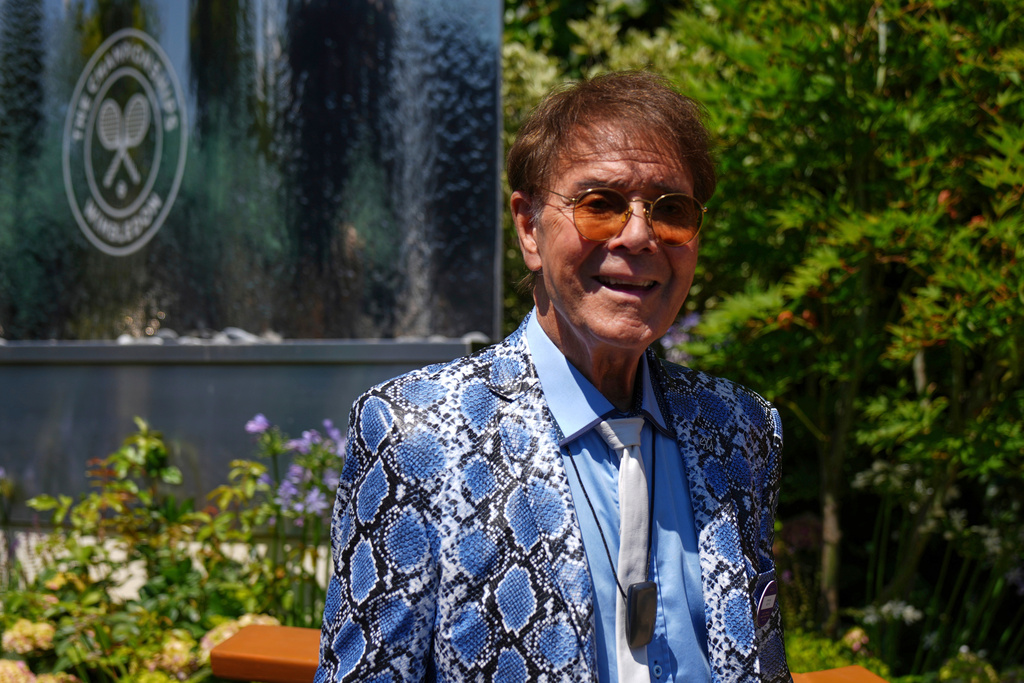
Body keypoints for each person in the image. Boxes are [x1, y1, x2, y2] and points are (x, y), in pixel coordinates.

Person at [315, 71, 791, 683]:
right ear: (529, 227)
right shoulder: (420, 434)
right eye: (600, 205)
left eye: (671, 211)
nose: (639, 235)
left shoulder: (741, 431)